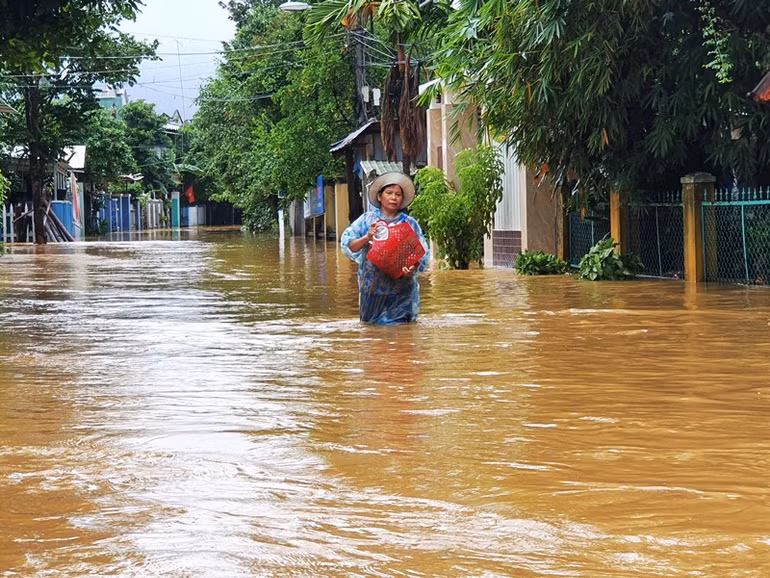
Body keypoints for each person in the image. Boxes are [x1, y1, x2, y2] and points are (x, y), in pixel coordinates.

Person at [340, 172, 430, 325]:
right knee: (372, 335)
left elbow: (422, 256)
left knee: (403, 334)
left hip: (402, 293)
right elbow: (348, 246)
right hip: (372, 292)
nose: (394, 197)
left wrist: (412, 268)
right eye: (389, 193)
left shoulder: (410, 223)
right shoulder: (366, 221)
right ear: (380, 197)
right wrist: (367, 237)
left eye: (398, 194)